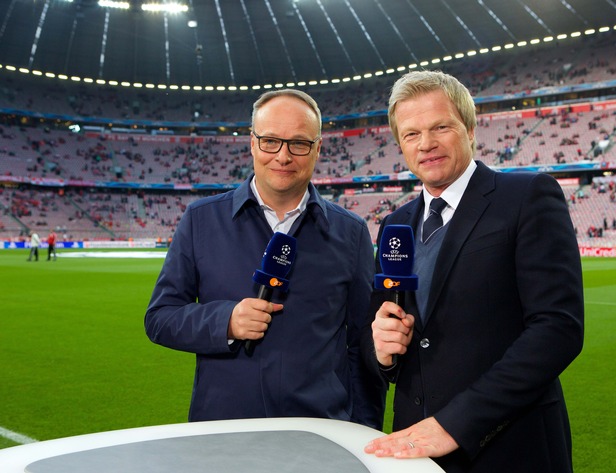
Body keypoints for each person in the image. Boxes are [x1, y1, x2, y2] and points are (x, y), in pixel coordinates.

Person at [363, 70, 584, 472]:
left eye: (440, 127)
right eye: (411, 135)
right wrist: (383, 350)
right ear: (400, 145)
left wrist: (456, 423)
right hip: (415, 446)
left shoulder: (527, 197)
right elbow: (386, 330)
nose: (426, 144)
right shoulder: (395, 224)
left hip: (510, 447)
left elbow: (558, 329)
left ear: (468, 127)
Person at [145, 89, 385, 429]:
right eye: (271, 140)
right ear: (253, 143)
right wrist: (225, 320)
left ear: (318, 148)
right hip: (223, 432)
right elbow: (160, 318)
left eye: (299, 143)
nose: (283, 157)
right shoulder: (201, 219)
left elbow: (362, 345)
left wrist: (365, 432)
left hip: (319, 434)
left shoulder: (352, 232)